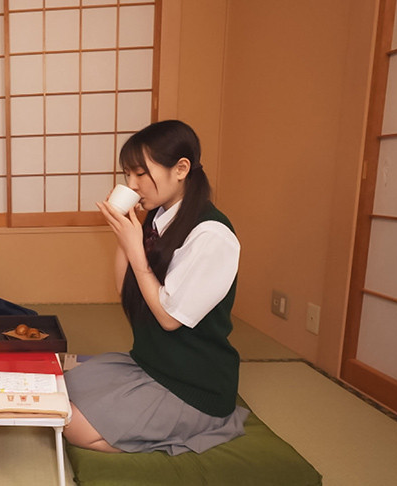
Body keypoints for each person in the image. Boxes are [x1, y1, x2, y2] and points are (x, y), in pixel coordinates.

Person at [63, 120, 249, 455]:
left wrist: (136, 250)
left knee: (73, 426)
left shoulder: (212, 235)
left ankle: (200, 428)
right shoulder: (158, 216)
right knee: (60, 390)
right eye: (127, 175)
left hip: (193, 384)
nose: (132, 185)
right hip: (152, 363)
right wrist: (125, 232)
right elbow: (125, 290)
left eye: (140, 174)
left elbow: (168, 318)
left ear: (181, 169)